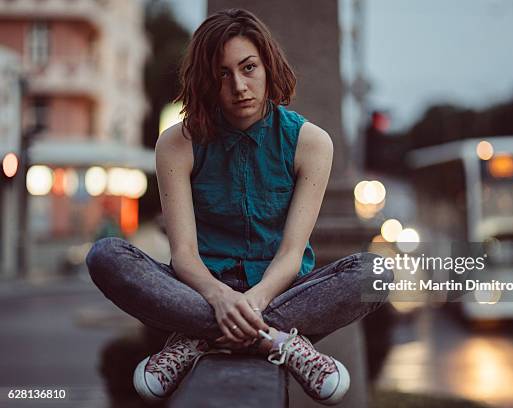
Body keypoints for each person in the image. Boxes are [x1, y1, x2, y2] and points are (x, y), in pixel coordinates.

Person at [85, 8, 393, 405]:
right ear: (206, 83)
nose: (239, 86)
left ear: (268, 66)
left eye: (249, 67)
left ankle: (203, 339)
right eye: (222, 74)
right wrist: (218, 298)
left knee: (378, 273)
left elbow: (290, 253)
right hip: (199, 290)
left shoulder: (311, 143)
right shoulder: (177, 143)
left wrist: (252, 302)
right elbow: (184, 255)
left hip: (282, 290)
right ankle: (275, 340)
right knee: (106, 255)